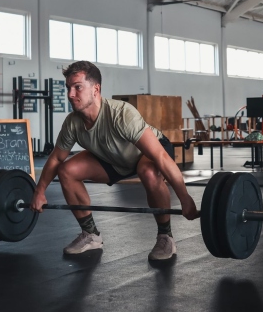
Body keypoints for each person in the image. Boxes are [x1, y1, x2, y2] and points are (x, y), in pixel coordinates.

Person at [30, 61, 199, 261]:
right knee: (67, 170)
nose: (70, 94)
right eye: (68, 88)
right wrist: (39, 192)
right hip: (113, 158)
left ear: (96, 89)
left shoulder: (121, 114)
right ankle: (91, 234)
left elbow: (159, 156)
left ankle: (165, 236)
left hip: (146, 154)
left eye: (77, 87)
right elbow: (56, 158)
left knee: (149, 172)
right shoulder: (72, 123)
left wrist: (185, 198)